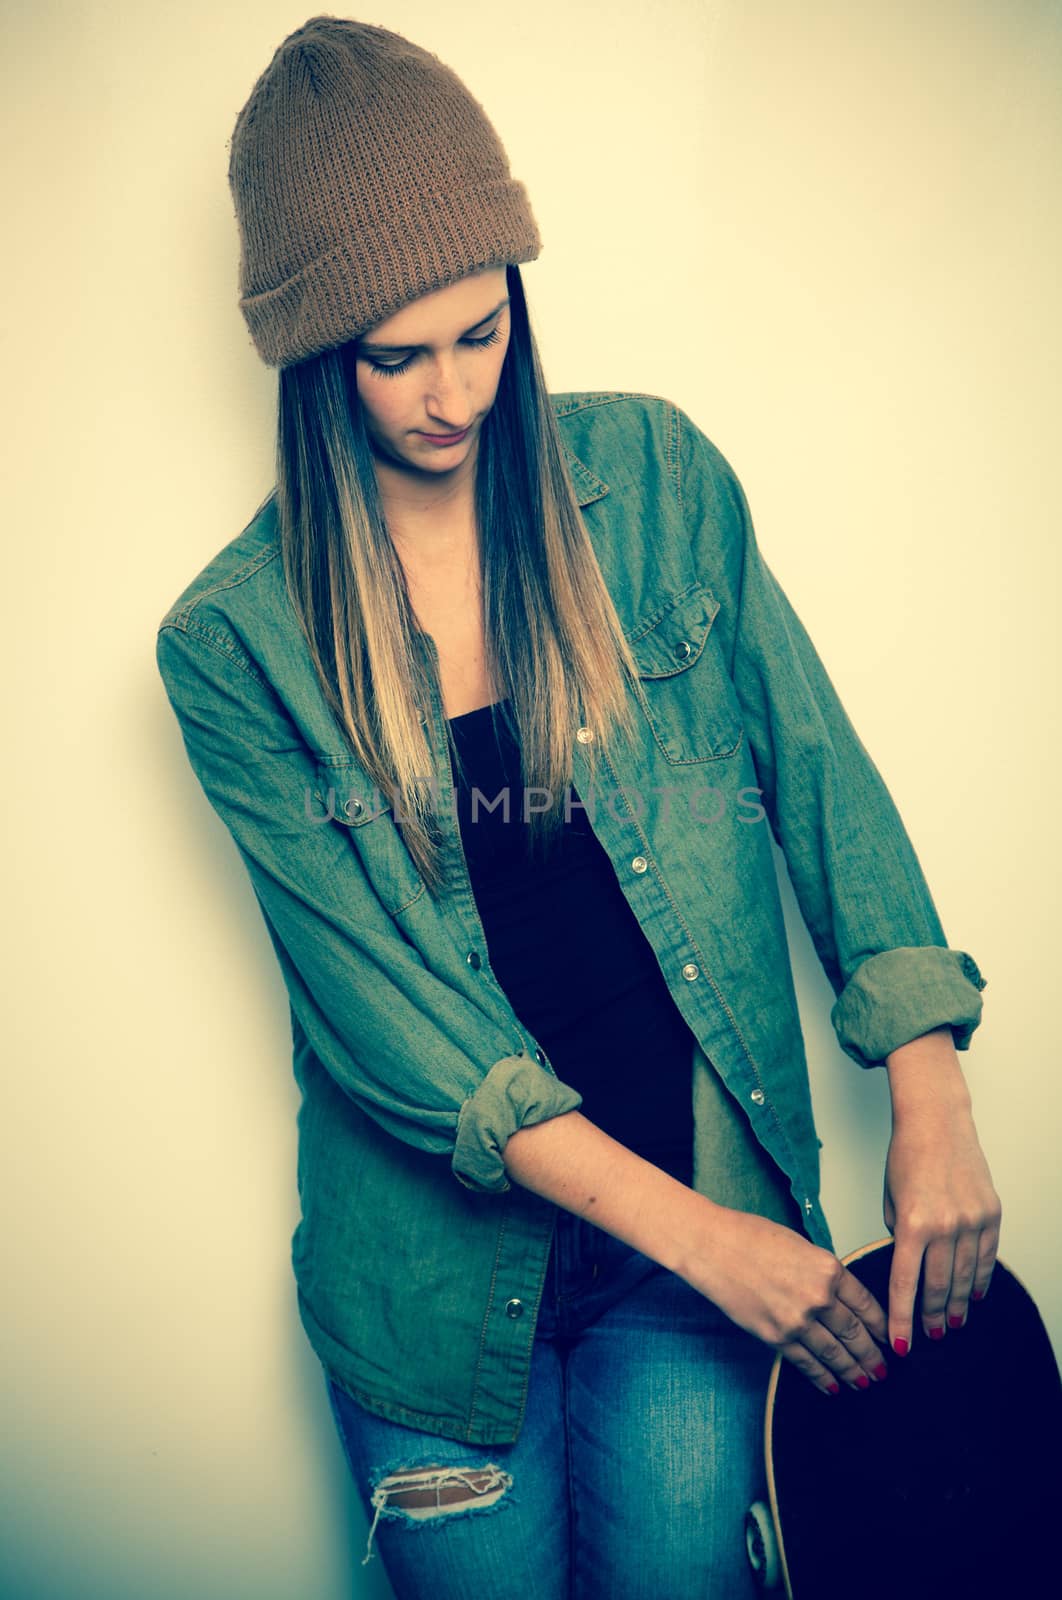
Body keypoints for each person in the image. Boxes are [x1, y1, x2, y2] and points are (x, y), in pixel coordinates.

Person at [155, 15, 1001, 1599]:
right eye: (391, 356)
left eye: (480, 332)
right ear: (305, 357)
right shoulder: (233, 646)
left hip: (689, 1263)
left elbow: (816, 775)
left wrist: (928, 1088)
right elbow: (395, 1029)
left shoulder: (657, 479)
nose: (450, 395)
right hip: (435, 1305)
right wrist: (712, 1240)